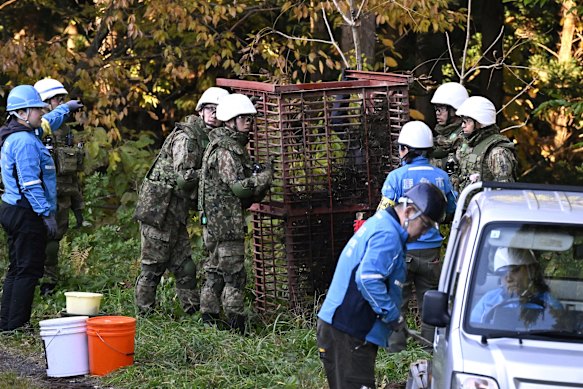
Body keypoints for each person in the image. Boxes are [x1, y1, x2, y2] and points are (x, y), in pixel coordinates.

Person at [317, 182, 447, 389]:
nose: (423, 234)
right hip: (348, 330)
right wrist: (393, 315)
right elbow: (368, 279)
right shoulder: (388, 235)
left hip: (346, 329)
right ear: (410, 211)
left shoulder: (383, 223)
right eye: (424, 225)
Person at [133, 87, 228, 315]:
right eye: (210, 109)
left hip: (175, 211)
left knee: (185, 266)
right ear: (201, 111)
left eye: (219, 110)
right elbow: (184, 178)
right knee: (153, 265)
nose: (214, 114)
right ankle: (144, 313)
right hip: (160, 209)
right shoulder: (187, 137)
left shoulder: (209, 137)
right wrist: (211, 172)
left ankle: (192, 311)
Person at [376, 121, 457, 352]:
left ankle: (396, 351)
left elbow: (383, 214)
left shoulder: (396, 177)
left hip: (403, 250)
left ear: (406, 150)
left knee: (397, 300)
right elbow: (451, 210)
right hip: (432, 252)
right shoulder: (442, 177)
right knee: (430, 303)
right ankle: (430, 349)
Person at [198, 93, 272, 333]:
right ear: (230, 121)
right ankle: (235, 326)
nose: (248, 122)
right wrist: (263, 177)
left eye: (250, 118)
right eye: (243, 118)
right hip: (225, 224)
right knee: (234, 275)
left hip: (217, 222)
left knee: (216, 271)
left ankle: (209, 320)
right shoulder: (227, 150)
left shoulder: (225, 144)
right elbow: (239, 188)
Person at [0, 85, 57, 331]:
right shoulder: (23, 141)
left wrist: (64, 109)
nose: (41, 114)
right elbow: (30, 183)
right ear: (22, 113)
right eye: (37, 110)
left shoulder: (17, 134)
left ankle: (7, 322)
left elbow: (50, 121)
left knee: (18, 267)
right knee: (29, 269)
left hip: (13, 208)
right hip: (26, 212)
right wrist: (46, 214)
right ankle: (17, 325)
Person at [33, 78, 86, 296]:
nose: (61, 103)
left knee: (53, 243)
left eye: (63, 99)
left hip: (62, 195)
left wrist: (78, 206)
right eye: (58, 99)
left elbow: (71, 171)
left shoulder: (65, 131)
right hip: (39, 196)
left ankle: (48, 284)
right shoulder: (37, 128)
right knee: (35, 243)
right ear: (44, 102)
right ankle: (30, 281)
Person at [471, 247, 562, 324]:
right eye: (502, 273)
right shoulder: (488, 300)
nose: (508, 278)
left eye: (514, 270)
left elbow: (556, 330)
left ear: (531, 270)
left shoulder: (549, 302)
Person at [453, 96, 517, 193]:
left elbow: (504, 191)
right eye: (463, 121)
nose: (463, 125)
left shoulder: (497, 152)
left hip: (484, 206)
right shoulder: (467, 144)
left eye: (467, 121)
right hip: (463, 204)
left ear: (480, 122)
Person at [429, 82, 468, 176]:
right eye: (436, 108)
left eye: (442, 108)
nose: (437, 113)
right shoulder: (446, 132)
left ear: (454, 110)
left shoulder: (464, 134)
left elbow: (454, 165)